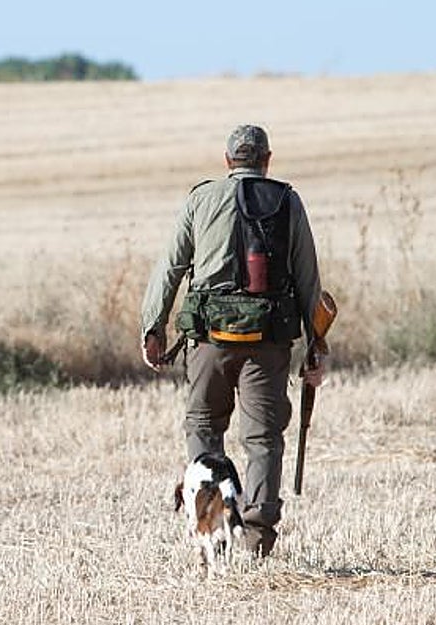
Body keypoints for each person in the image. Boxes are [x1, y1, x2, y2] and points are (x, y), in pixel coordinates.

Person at [140, 124, 326, 557]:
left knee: (203, 426)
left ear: (227, 163)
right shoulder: (287, 200)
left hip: (208, 341)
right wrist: (317, 345)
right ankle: (258, 539)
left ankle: (209, 528)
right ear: (267, 160)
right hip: (268, 340)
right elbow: (307, 278)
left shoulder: (200, 199)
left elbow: (169, 268)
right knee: (263, 438)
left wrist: (153, 326)